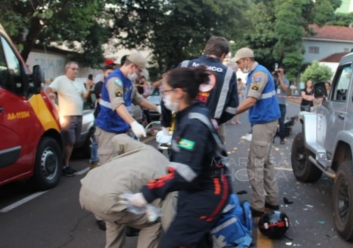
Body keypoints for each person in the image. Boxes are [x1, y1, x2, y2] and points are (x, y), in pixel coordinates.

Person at [126, 66, 231, 248]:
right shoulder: (188, 114)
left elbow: (185, 172)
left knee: (174, 243)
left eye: (165, 92)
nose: (164, 97)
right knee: (194, 241)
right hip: (195, 189)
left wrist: (148, 192)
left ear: (179, 92)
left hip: (209, 192)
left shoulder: (193, 123)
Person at [79, 134, 177, 248]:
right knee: (155, 220)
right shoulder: (170, 181)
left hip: (88, 185)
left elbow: (118, 139)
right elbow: (169, 223)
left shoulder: (147, 150)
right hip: (110, 199)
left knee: (114, 217)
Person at [230, 47, 281, 217]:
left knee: (255, 164)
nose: (238, 65)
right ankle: (272, 200)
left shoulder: (258, 74)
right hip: (267, 122)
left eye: (239, 62)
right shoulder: (256, 73)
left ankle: (258, 205)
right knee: (266, 163)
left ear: (247, 60)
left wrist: (229, 113)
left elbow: (251, 101)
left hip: (264, 123)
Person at [160, 36, 239, 144]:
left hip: (183, 126)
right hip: (210, 131)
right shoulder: (228, 74)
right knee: (208, 159)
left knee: (183, 153)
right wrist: (216, 121)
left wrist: (165, 126)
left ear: (205, 49)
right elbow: (232, 109)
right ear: (223, 55)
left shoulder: (185, 65)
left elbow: (166, 95)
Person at [95, 51, 161, 165]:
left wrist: (158, 108)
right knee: (109, 167)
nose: (140, 75)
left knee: (123, 166)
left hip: (121, 130)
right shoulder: (115, 80)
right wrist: (133, 123)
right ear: (132, 66)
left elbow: (139, 99)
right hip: (108, 131)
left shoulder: (129, 82)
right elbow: (118, 104)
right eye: (139, 71)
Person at [46, 61, 92, 176]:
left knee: (74, 142)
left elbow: (85, 97)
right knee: (70, 141)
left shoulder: (79, 82)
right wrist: (51, 97)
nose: (75, 71)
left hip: (78, 115)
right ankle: (64, 166)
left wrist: (90, 88)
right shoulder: (60, 80)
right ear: (67, 69)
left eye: (77, 69)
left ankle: (65, 164)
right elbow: (48, 90)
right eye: (73, 69)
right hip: (67, 116)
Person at [90, 65, 115, 170]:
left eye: (112, 73)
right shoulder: (99, 85)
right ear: (104, 73)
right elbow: (106, 97)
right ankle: (94, 162)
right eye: (108, 73)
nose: (110, 75)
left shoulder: (113, 84)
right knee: (97, 140)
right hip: (99, 116)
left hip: (110, 116)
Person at [274, 65, 290, 145]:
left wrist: (280, 79)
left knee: (281, 122)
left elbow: (285, 89)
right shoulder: (274, 80)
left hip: (282, 104)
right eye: (278, 71)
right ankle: (272, 138)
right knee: (273, 121)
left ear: (283, 71)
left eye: (280, 71)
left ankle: (282, 138)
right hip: (274, 103)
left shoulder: (286, 80)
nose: (279, 72)